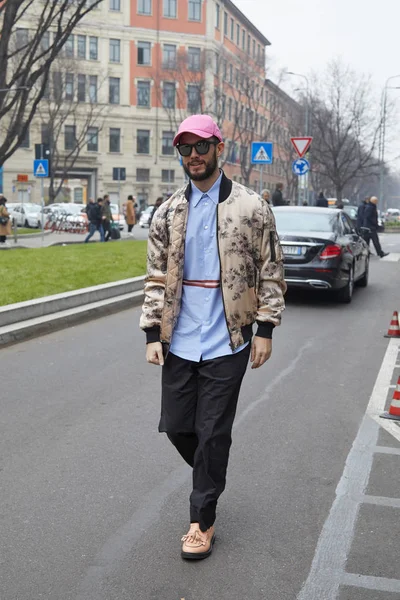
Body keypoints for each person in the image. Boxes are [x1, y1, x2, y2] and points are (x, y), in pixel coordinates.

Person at [140, 114, 286, 560]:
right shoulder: (168, 210)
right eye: (186, 149)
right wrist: (151, 332)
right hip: (180, 336)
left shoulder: (251, 206)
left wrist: (265, 328)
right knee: (179, 427)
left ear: (219, 148)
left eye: (202, 146)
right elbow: (155, 275)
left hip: (230, 336)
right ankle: (212, 465)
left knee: (212, 428)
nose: (194, 156)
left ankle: (201, 521)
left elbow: (271, 270)